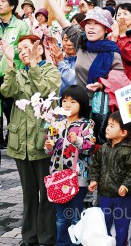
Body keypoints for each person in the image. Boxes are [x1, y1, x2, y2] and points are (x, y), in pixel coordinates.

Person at [0, 34, 61, 246]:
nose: (23, 52)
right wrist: (9, 62)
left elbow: (45, 90)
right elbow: (6, 91)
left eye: (27, 47)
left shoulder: (51, 71)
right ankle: (29, 238)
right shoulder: (18, 73)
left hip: (42, 142)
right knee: (28, 195)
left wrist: (34, 65)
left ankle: (47, 238)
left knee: (46, 195)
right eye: (20, 50)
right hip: (21, 144)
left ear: (39, 48)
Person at [44, 84, 96, 246]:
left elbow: (90, 148)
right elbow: (50, 151)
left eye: (72, 101)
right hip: (57, 178)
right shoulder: (56, 123)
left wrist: (78, 141)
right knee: (60, 218)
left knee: (75, 217)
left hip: (77, 178)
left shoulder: (87, 124)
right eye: (65, 100)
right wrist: (48, 147)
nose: (67, 104)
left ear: (82, 104)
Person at [88, 110, 131, 246]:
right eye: (108, 124)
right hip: (104, 195)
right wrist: (94, 180)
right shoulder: (103, 148)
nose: (107, 128)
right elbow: (96, 166)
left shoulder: (128, 151)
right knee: (103, 225)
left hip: (122, 198)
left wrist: (126, 186)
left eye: (112, 126)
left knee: (122, 227)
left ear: (124, 132)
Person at [0, 0, 30, 149]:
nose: (0, 3)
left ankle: (14, 141)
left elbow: (27, 48)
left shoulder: (21, 25)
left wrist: (10, 51)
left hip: (12, 75)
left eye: (3, 1)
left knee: (10, 109)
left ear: (12, 6)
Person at [50, 24, 82, 96]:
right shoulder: (58, 59)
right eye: (66, 39)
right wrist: (54, 68)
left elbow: (76, 82)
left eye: (72, 40)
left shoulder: (83, 61)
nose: (68, 43)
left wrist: (60, 63)